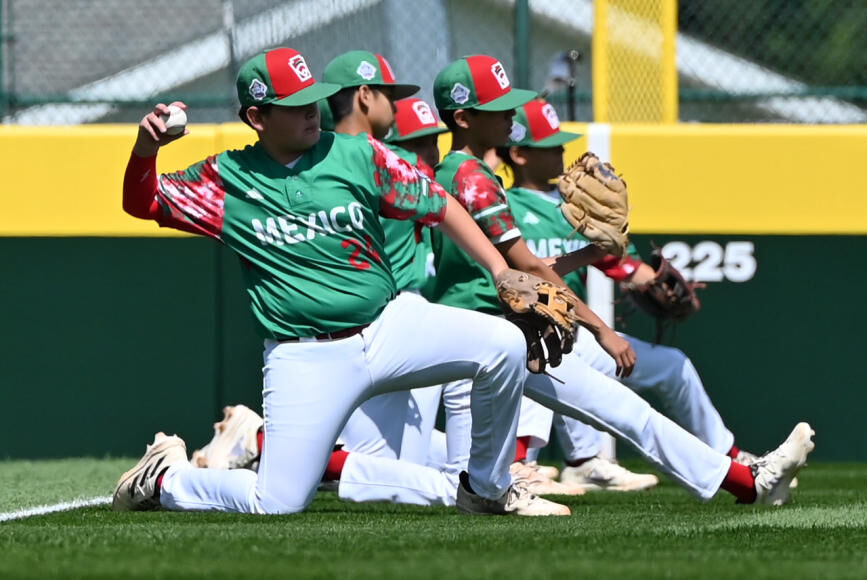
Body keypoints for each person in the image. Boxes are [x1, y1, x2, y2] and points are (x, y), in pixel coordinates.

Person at [112, 47, 568, 517]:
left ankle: (488, 489)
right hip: (305, 354)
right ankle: (166, 479)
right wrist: (147, 148)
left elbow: (440, 203)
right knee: (276, 502)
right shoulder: (227, 178)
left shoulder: (356, 154)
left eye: (315, 97)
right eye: (295, 104)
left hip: (389, 325)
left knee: (502, 344)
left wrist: (499, 270)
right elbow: (142, 201)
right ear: (257, 116)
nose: (312, 109)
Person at [426, 54, 813, 506]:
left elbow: (524, 266)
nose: (510, 113)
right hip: (485, 338)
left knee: (625, 412)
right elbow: (527, 270)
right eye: (498, 107)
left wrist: (590, 254)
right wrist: (601, 329)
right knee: (446, 479)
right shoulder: (472, 179)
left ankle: (750, 482)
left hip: (504, 336)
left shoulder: (462, 175)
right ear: (463, 118)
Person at [497, 99, 774, 491]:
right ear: (520, 154)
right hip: (531, 329)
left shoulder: (571, 206)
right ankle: (524, 464)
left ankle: (726, 456)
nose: (562, 152)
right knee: (533, 347)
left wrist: (646, 277)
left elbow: (614, 261)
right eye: (551, 146)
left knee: (672, 366)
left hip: (573, 330)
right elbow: (524, 270)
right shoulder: (503, 205)